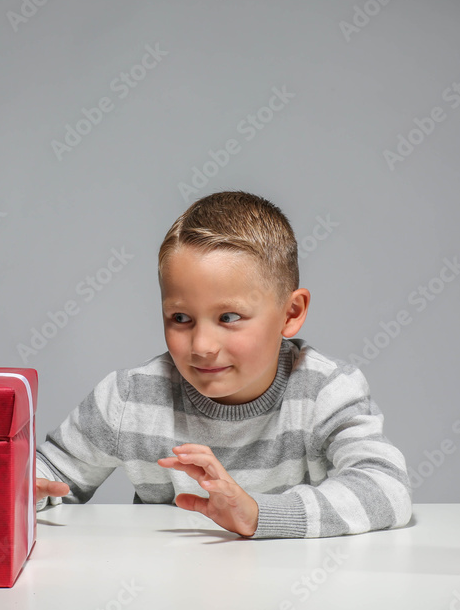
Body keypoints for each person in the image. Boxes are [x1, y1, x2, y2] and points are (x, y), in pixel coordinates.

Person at [35, 191, 412, 538]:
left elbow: (386, 489)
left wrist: (259, 514)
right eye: (181, 318)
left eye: (229, 317)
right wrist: (22, 490)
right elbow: (45, 475)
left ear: (291, 313)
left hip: (295, 582)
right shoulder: (129, 398)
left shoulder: (325, 391)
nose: (202, 346)